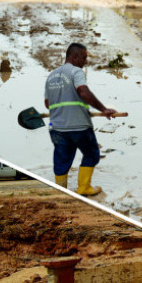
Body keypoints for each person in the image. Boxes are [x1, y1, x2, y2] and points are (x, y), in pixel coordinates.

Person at [45, 42, 117, 196]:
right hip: (78, 125)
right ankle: (84, 188)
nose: (85, 62)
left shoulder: (51, 76)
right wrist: (103, 109)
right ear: (75, 56)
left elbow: (47, 104)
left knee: (62, 159)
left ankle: (61, 190)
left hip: (56, 127)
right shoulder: (76, 72)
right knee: (91, 154)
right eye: (84, 58)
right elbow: (83, 91)